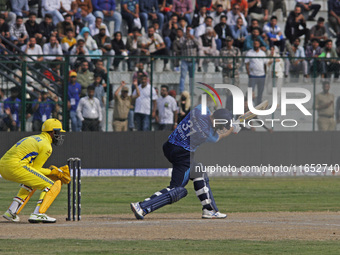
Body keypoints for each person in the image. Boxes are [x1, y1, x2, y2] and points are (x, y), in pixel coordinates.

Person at [130, 105, 241, 220]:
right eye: (220, 125)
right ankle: (142, 207)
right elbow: (219, 137)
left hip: (169, 145)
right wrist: (232, 129)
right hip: (183, 155)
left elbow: (211, 114)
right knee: (178, 189)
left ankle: (209, 209)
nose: (220, 127)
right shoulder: (206, 132)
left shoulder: (200, 109)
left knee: (199, 172)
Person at [1, 118, 70, 223]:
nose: (59, 136)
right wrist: (53, 172)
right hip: (16, 166)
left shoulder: (35, 138)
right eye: (58, 132)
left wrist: (51, 171)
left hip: (3, 166)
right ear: (52, 132)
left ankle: (11, 211)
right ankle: (38, 213)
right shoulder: (47, 146)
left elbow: (33, 170)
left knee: (31, 183)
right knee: (51, 185)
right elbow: (36, 169)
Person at [245, 39, 268, 105]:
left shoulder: (262, 53)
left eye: (257, 44)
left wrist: (265, 73)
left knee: (260, 91)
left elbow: (265, 64)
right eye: (254, 44)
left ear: (259, 45)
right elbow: (246, 63)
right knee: (251, 91)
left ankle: (259, 104)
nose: (256, 45)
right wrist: (249, 73)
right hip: (253, 75)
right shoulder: (249, 53)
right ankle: (250, 104)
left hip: (261, 75)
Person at [179, 26, 199, 92]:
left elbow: (199, 45)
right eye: (188, 30)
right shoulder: (183, 38)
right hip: (185, 60)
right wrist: (186, 39)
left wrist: (192, 38)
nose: (189, 31)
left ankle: (192, 91)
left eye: (190, 30)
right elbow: (181, 46)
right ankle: (181, 91)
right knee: (182, 77)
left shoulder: (195, 38)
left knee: (192, 77)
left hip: (193, 61)